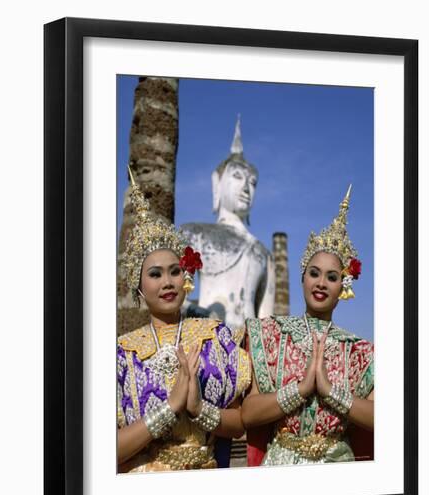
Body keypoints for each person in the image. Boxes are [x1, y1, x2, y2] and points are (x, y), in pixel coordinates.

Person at [117, 167, 251, 473]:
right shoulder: (122, 353)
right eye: (155, 274)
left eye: (174, 271)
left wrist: (198, 409)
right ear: (139, 287)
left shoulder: (213, 336)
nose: (167, 282)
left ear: (185, 277)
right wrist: (169, 409)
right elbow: (107, 447)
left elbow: (239, 421)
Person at [242, 186, 374, 466]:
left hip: (338, 466)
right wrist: (300, 390)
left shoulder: (360, 352)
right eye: (314, 274)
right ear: (303, 277)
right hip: (282, 464)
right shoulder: (269, 334)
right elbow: (248, 414)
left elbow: (384, 419)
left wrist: (330, 392)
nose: (321, 283)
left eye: (332, 277)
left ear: (343, 287)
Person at [181, 116, 275, 329]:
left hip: (247, 347)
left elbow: (266, 320)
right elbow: (170, 297)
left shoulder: (263, 253)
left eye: (252, 182)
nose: (246, 188)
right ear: (217, 182)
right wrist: (197, 313)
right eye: (237, 176)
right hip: (203, 338)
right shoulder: (194, 234)